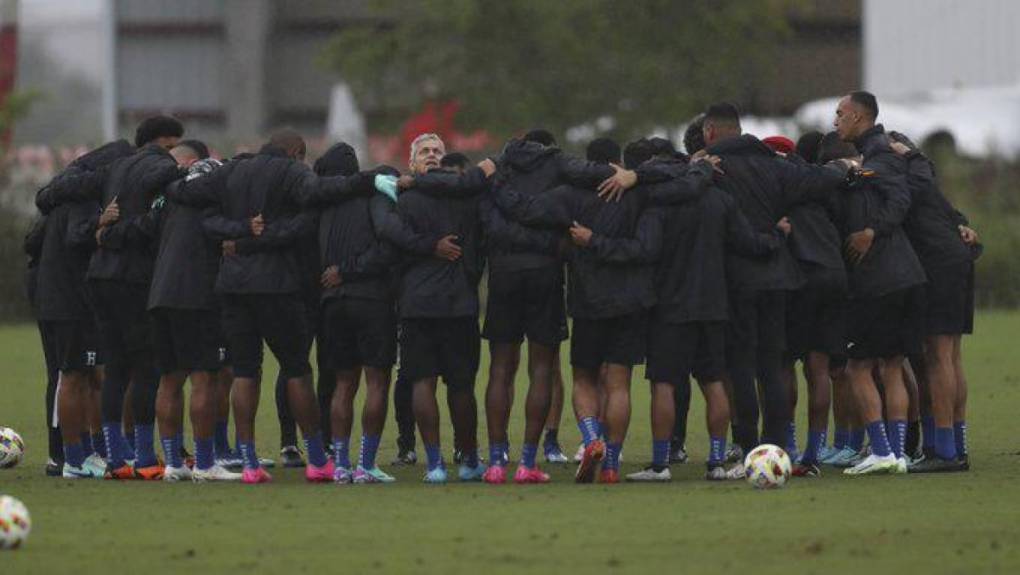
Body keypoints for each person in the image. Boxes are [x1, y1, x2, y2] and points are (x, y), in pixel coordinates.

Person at [166, 129, 373, 484]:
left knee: (245, 371)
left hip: (232, 287)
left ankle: (248, 464)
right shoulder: (291, 173)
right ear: (296, 152)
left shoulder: (228, 172)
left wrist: (238, 235)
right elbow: (318, 194)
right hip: (278, 285)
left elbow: (182, 194)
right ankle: (318, 459)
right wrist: (368, 180)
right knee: (296, 369)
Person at [37, 117, 186, 481]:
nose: (171, 156)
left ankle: (114, 457)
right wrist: (112, 231)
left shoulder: (112, 173)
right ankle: (138, 457)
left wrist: (105, 231)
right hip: (118, 284)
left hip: (97, 282)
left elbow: (55, 192)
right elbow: (151, 222)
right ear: (158, 144)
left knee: (113, 369)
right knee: (138, 368)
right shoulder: (157, 171)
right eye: (169, 147)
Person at [700, 103, 846, 456]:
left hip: (737, 279)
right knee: (772, 364)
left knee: (740, 365)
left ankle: (747, 443)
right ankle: (777, 444)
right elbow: (818, 180)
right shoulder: (775, 166)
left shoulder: (712, 169)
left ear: (709, 133)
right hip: (779, 278)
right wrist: (846, 166)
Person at [480, 129, 619, 484]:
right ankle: (527, 462)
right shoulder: (557, 163)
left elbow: (489, 224)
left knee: (500, 368)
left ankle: (497, 462)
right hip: (545, 272)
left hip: (504, 274)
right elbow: (598, 172)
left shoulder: (497, 167)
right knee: (542, 368)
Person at [383, 133, 493, 483]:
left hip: (419, 303)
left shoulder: (404, 200)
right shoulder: (468, 197)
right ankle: (468, 460)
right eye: (425, 151)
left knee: (425, 382)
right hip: (457, 303)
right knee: (458, 385)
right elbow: (479, 246)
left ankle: (435, 465)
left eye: (436, 150)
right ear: (413, 162)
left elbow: (393, 248)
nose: (431, 155)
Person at [832, 91, 927, 475]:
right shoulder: (871, 156)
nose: (835, 120)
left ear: (858, 117)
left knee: (857, 368)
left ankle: (884, 451)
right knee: (890, 366)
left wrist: (871, 230)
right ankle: (899, 454)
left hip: (881, 280)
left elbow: (900, 197)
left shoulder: (879, 154)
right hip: (905, 276)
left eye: (840, 114)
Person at [148, 140, 242, 482]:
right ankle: (204, 464)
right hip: (197, 298)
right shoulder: (211, 204)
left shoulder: (171, 203)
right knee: (205, 378)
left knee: (169, 380)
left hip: (160, 295)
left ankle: (173, 464)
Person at [887, 131, 976, 473]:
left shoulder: (910, 178)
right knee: (948, 356)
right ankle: (950, 444)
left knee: (939, 357)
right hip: (955, 262)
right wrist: (964, 226)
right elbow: (951, 215)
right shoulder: (925, 183)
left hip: (939, 267)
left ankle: (946, 453)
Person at [764, 134, 849, 476]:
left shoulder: (772, 187)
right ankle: (813, 456)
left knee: (784, 364)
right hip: (834, 274)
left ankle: (788, 446)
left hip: (797, 279)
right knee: (819, 368)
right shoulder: (819, 183)